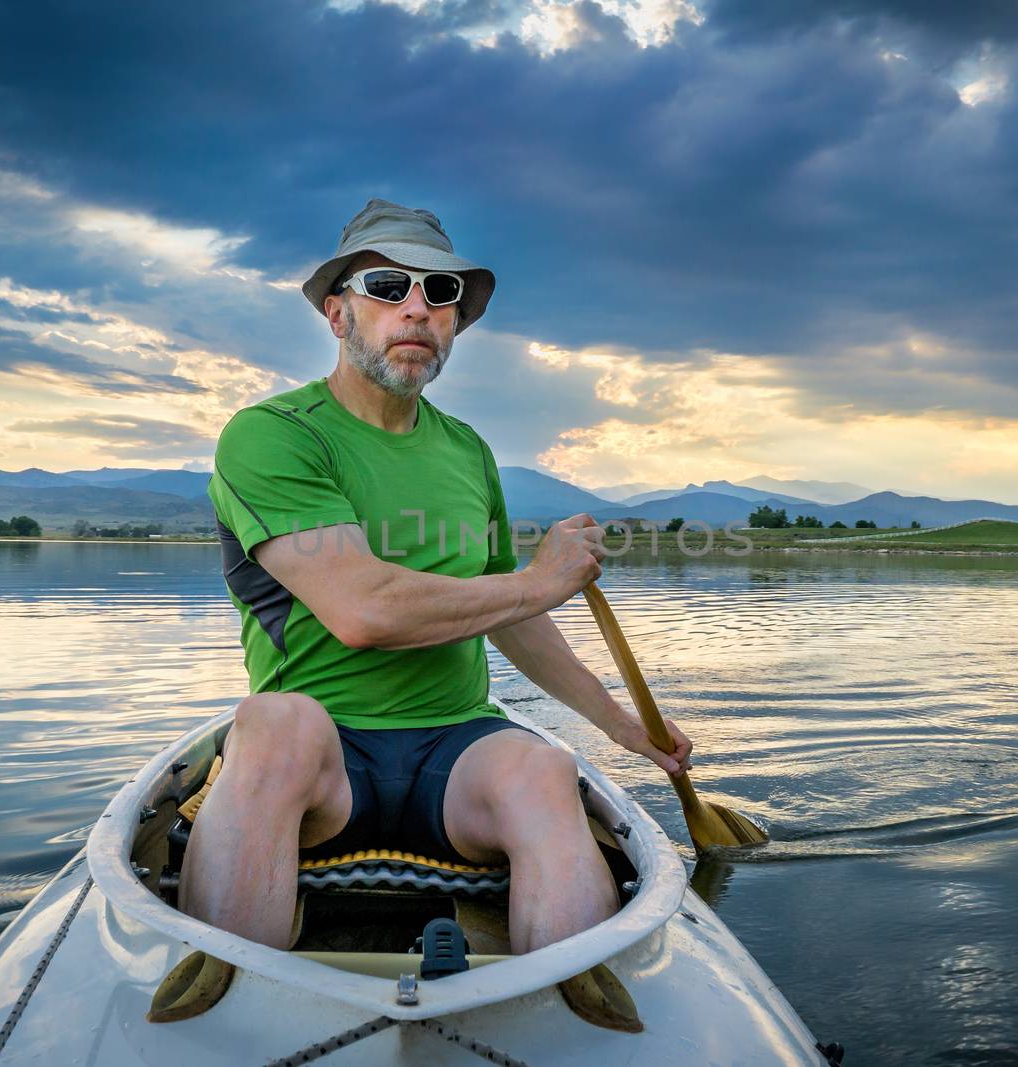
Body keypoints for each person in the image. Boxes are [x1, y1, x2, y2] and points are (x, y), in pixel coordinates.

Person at [179, 199, 691, 954]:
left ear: (453, 321)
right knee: (272, 725)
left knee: (545, 769)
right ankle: (220, 997)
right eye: (388, 286)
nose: (417, 309)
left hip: (453, 751)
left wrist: (623, 725)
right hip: (325, 761)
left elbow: (509, 616)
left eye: (440, 293)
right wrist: (540, 578)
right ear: (337, 312)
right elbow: (364, 610)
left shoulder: (467, 451)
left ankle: (563, 1004)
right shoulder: (272, 435)